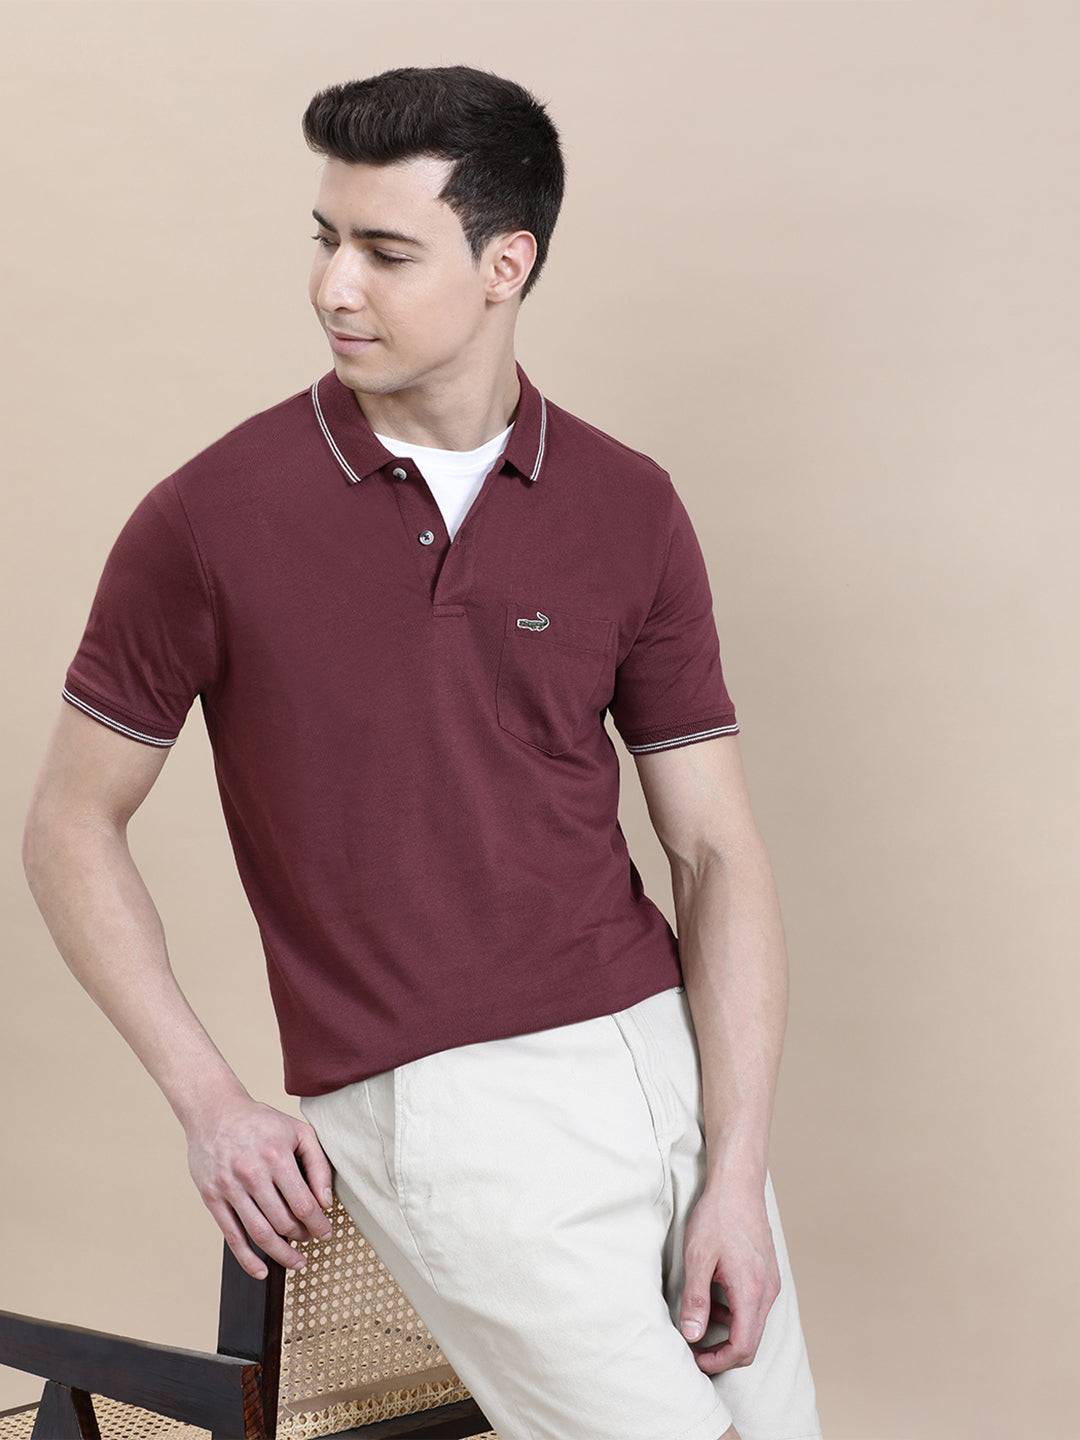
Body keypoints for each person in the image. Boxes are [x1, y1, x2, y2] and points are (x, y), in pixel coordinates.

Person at [22, 65, 821, 1440]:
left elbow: (713, 851)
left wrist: (736, 1171)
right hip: (440, 1100)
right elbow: (66, 826)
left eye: (386, 252)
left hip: (668, 1062)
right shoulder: (208, 520)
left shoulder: (629, 504)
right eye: (325, 239)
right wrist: (209, 1100)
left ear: (508, 263)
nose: (336, 286)